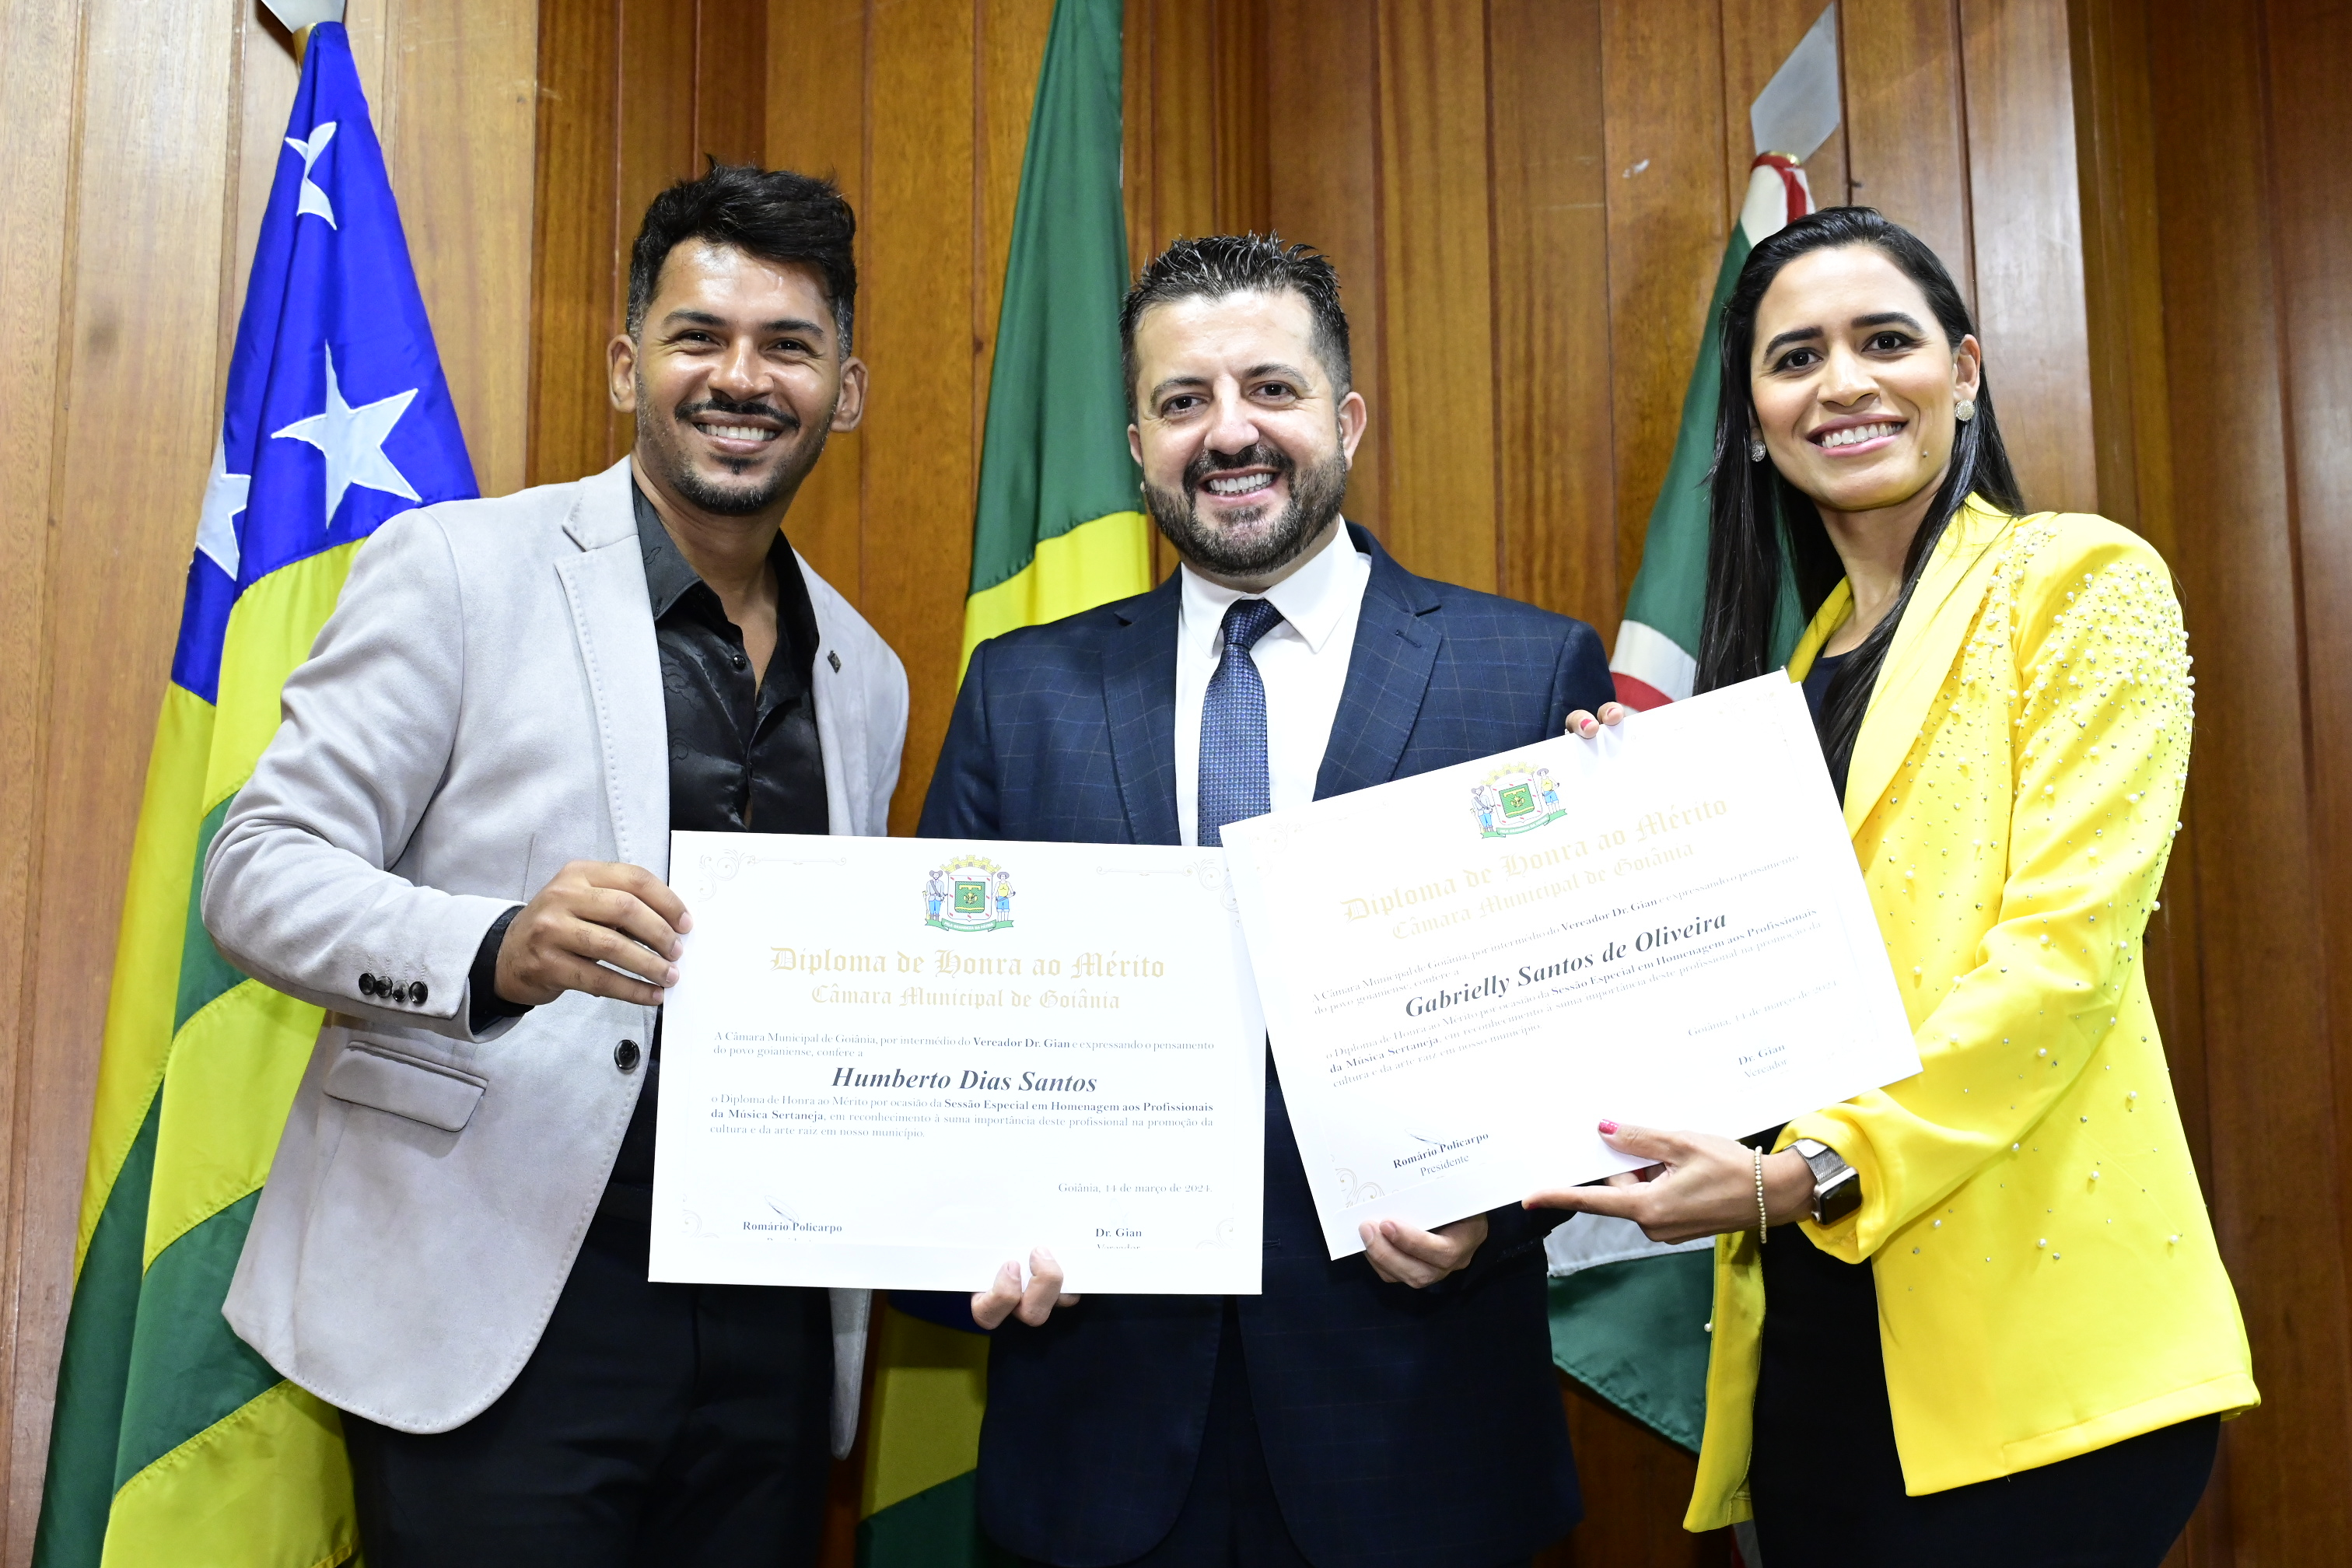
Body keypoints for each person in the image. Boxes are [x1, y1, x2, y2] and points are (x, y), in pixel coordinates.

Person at [1528, 207, 2256, 1566]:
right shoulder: (1787, 682)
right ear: (1754, 420)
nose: (1844, 383)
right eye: (1796, 357)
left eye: (1885, 341)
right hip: (1814, 1353)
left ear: (1963, 372)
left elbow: (2062, 964)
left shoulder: (2080, 580)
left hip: (2037, 1368)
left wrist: (1807, 1173)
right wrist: (1624, 826)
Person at [201, 165, 908, 1566]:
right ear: (628, 364)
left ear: (846, 390)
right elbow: (256, 869)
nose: (742, 378)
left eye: (789, 345)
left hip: (767, 1322)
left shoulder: (866, 669)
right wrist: (494, 947)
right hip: (497, 1297)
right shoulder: (457, 569)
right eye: (700, 336)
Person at [920, 235, 1605, 1568]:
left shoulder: (1523, 673)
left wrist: (1493, 1215)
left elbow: (1585, 1047)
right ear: (1139, 447)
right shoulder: (1020, 691)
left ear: (1346, 419)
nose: (1230, 432)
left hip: (1417, 1444)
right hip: (1098, 1447)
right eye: (1184, 401)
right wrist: (968, 1237)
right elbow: (943, 1037)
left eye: (1271, 390)